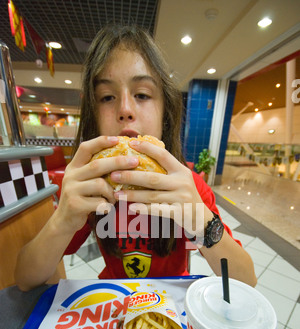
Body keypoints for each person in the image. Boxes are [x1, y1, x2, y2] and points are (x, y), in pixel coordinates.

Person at [15, 25, 257, 291]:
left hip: (172, 301)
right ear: (93, 116)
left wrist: (202, 220)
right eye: (107, 97)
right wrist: (62, 219)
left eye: (142, 94)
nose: (125, 109)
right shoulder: (90, 186)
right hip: (113, 300)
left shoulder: (189, 185)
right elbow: (26, 280)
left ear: (166, 111)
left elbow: (246, 282)